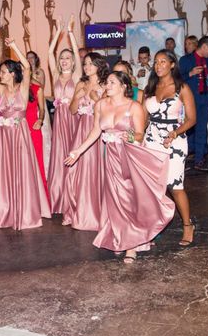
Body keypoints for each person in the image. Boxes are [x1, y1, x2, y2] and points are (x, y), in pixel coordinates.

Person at [65, 72, 175, 263]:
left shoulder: (134, 107)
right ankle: (121, 238)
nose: (107, 85)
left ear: (124, 86)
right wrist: (78, 151)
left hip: (129, 156)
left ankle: (131, 246)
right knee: (114, 199)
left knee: (128, 198)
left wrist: (131, 136)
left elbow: (140, 134)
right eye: (107, 82)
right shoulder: (100, 104)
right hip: (110, 157)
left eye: (112, 82)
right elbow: (95, 131)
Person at [0, 33, 51, 230]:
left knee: (22, 171)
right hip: (3, 138)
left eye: (4, 71)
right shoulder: (0, 89)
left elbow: (27, 67)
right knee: (4, 171)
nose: (1, 74)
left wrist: (14, 46)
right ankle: (7, 210)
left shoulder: (23, 88)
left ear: (12, 73)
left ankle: (25, 210)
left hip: (20, 136)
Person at [143, 50, 197, 247]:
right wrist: (137, 137)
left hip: (174, 140)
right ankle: (155, 228)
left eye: (163, 61)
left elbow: (192, 119)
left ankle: (187, 225)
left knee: (175, 186)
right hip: (152, 139)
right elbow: (143, 117)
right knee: (154, 188)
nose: (158, 65)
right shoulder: (150, 87)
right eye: (156, 62)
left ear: (172, 64)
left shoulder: (182, 88)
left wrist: (174, 133)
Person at [61, 53, 108, 230]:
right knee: (73, 171)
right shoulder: (81, 83)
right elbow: (72, 110)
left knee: (92, 171)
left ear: (98, 65)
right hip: (80, 130)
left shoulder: (105, 85)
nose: (87, 67)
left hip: (95, 131)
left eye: (90, 63)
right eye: (85, 64)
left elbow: (108, 111)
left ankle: (93, 213)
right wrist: (77, 97)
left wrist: (97, 99)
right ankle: (75, 211)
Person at [46, 17, 81, 213]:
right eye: (62, 58)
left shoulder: (76, 76)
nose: (64, 60)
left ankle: (74, 194)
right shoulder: (55, 74)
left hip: (73, 119)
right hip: (59, 120)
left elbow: (76, 52)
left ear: (72, 61)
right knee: (59, 155)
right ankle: (59, 197)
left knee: (73, 153)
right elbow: (50, 52)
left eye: (67, 58)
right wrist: (58, 32)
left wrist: (70, 34)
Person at [179, 36, 208, 172]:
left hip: (206, 98)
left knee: (201, 128)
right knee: (187, 129)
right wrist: (190, 73)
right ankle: (184, 157)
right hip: (191, 99)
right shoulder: (185, 60)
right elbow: (178, 78)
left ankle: (199, 160)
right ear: (204, 46)